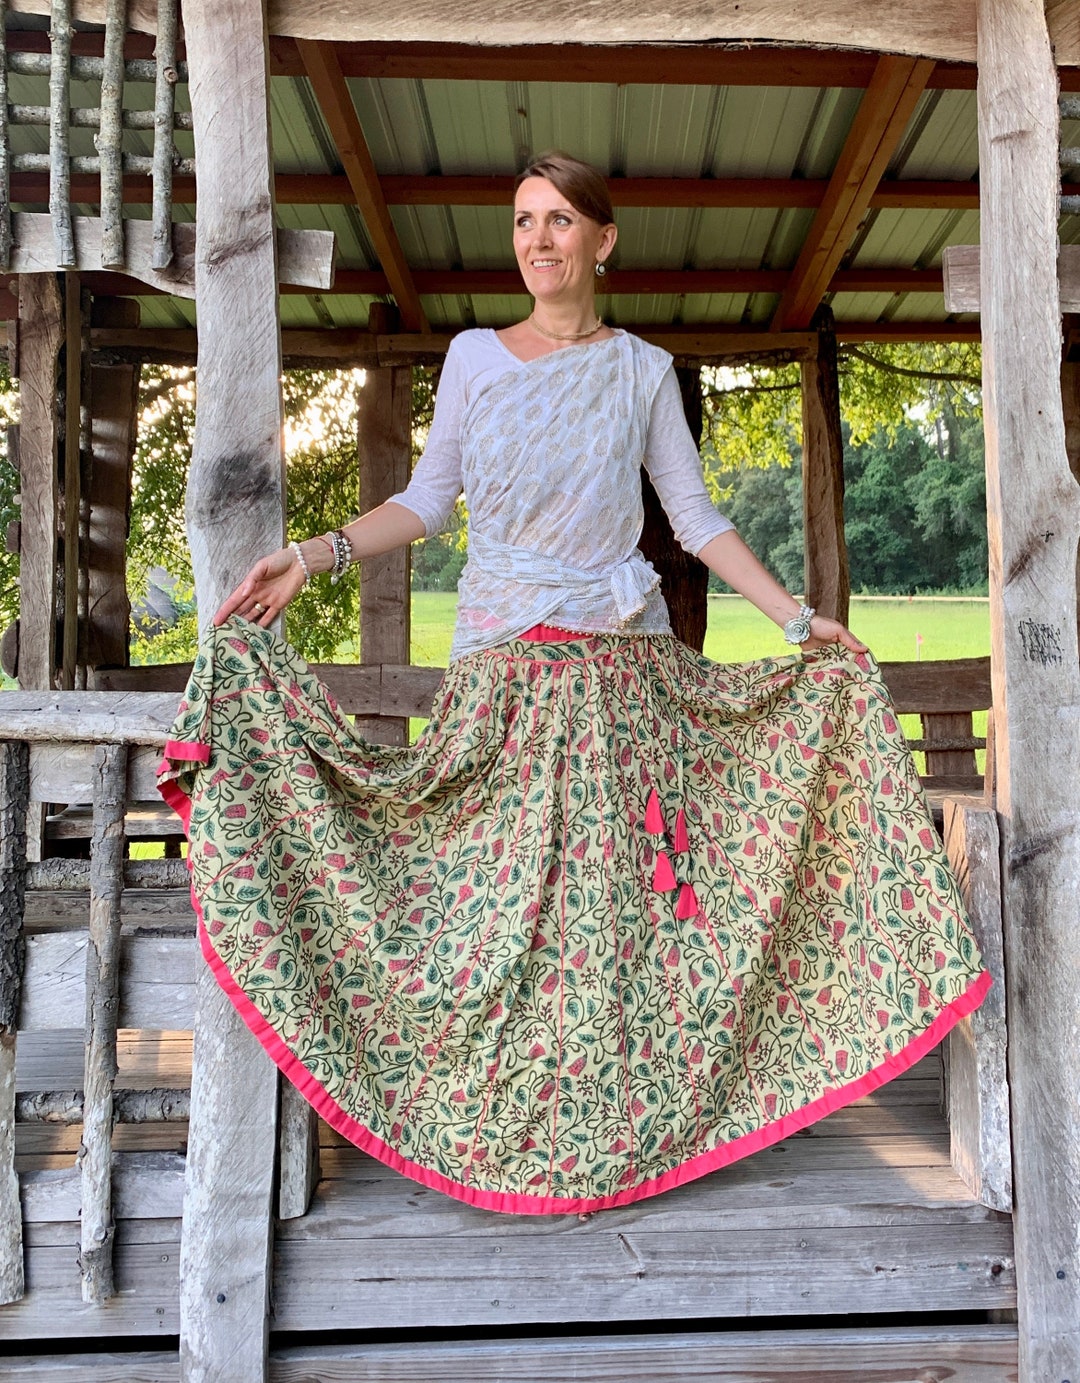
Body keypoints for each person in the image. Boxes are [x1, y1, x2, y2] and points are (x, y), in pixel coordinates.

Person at [159, 152, 990, 1216]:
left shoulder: (641, 370)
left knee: (613, 922)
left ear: (603, 240)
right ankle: (504, 1128)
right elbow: (426, 501)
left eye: (559, 221)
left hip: (618, 678)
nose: (537, 240)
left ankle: (622, 1136)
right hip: (504, 680)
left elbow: (694, 520)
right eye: (522, 222)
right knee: (501, 918)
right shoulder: (473, 358)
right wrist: (308, 555)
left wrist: (795, 620)